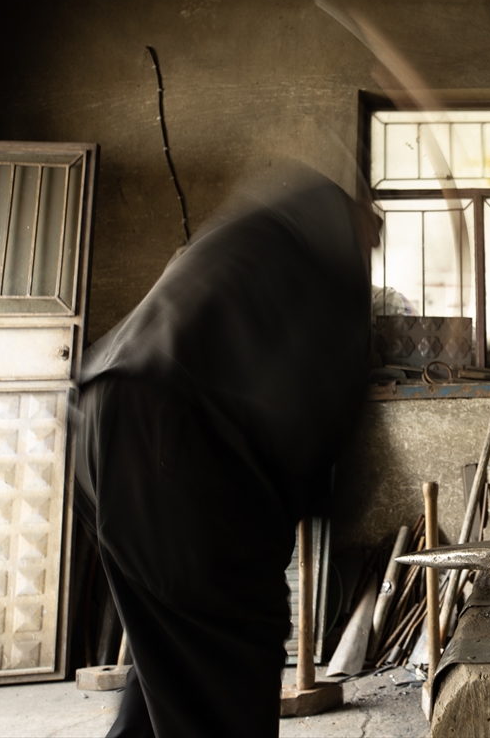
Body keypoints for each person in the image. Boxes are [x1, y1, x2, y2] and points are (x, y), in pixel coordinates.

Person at [73, 165, 379, 737]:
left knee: (174, 658)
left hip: (101, 418)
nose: (371, 247)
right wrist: (331, 504)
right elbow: (330, 404)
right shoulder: (326, 265)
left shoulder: (244, 238)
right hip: (176, 440)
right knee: (233, 658)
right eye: (370, 232)